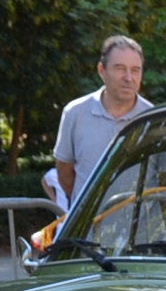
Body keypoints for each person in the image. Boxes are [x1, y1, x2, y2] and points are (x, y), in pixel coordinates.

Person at [53, 35, 154, 206]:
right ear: (102, 71)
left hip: (139, 228)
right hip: (89, 228)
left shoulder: (153, 118)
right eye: (120, 68)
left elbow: (164, 177)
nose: (129, 77)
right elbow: (64, 171)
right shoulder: (75, 113)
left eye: (135, 70)